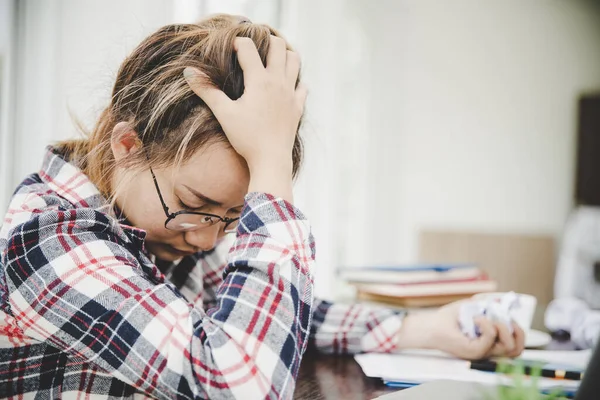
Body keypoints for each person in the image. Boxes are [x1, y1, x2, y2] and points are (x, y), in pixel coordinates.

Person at [0, 14, 524, 399]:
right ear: (128, 145)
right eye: (195, 205)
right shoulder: (48, 240)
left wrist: (427, 330)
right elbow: (239, 383)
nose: (207, 240)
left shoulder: (157, 228)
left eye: (232, 218)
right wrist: (271, 170)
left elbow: (276, 317)